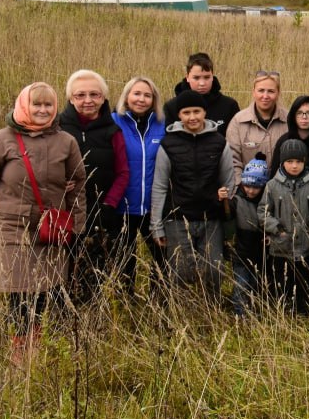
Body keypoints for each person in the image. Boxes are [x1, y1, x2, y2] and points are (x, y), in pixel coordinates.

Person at [0, 82, 86, 364]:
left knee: (44, 292)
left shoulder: (66, 142)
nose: (43, 110)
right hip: (10, 228)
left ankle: (39, 349)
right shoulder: (2, 140)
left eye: (48, 105)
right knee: (18, 294)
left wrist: (78, 228)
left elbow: (78, 186)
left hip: (51, 229)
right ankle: (19, 354)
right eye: (37, 104)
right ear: (24, 105)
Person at [150, 89, 237, 303]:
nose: (192, 117)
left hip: (211, 219)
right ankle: (182, 312)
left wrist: (224, 202)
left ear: (204, 112)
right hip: (178, 218)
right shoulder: (168, 145)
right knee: (180, 271)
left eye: (196, 111)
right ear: (179, 115)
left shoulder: (219, 142)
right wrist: (156, 225)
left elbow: (229, 180)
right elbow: (160, 186)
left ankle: (211, 310)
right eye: (186, 112)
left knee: (213, 269)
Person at [58, 69, 129, 305]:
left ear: (104, 97)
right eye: (80, 95)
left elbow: (123, 172)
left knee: (97, 272)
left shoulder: (113, 131)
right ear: (70, 98)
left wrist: (109, 203)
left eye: (94, 95)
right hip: (64, 212)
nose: (88, 100)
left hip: (103, 212)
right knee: (64, 268)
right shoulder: (57, 127)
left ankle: (92, 318)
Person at [110, 76, 167, 292]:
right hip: (123, 206)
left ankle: (157, 299)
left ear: (154, 100)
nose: (141, 99)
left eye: (147, 95)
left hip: (153, 207)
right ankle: (126, 302)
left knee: (162, 256)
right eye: (136, 94)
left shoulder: (162, 125)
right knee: (125, 259)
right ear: (127, 96)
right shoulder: (115, 122)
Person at [261, 138, 309, 315]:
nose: (294, 166)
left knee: (305, 281)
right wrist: (277, 230)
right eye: (290, 161)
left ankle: (305, 311)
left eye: (298, 161)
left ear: (304, 161)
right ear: (283, 162)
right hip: (281, 247)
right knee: (282, 281)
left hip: (306, 246)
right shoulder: (272, 185)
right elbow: (263, 212)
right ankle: (284, 311)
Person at [230, 158, 271, 317]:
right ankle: (240, 315)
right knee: (241, 285)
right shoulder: (237, 201)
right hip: (241, 254)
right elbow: (225, 216)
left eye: (256, 187)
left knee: (257, 285)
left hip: (260, 255)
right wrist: (221, 201)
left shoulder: (268, 201)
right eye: (247, 186)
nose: (251, 191)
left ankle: (256, 314)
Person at [162, 52, 241, 134]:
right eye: (196, 78)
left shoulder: (229, 105)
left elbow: (236, 139)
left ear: (212, 76)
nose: (202, 83)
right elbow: (169, 140)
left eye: (207, 77)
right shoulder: (171, 107)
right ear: (187, 77)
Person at [228, 70, 289, 169]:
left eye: (271, 91)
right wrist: (242, 183)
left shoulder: (289, 120)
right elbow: (232, 160)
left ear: (278, 93)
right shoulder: (238, 122)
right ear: (253, 92)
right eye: (261, 90)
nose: (265, 96)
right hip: (248, 184)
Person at [270, 94, 309, 176]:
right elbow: (274, 175)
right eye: (299, 113)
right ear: (293, 116)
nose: (304, 117)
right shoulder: (284, 141)